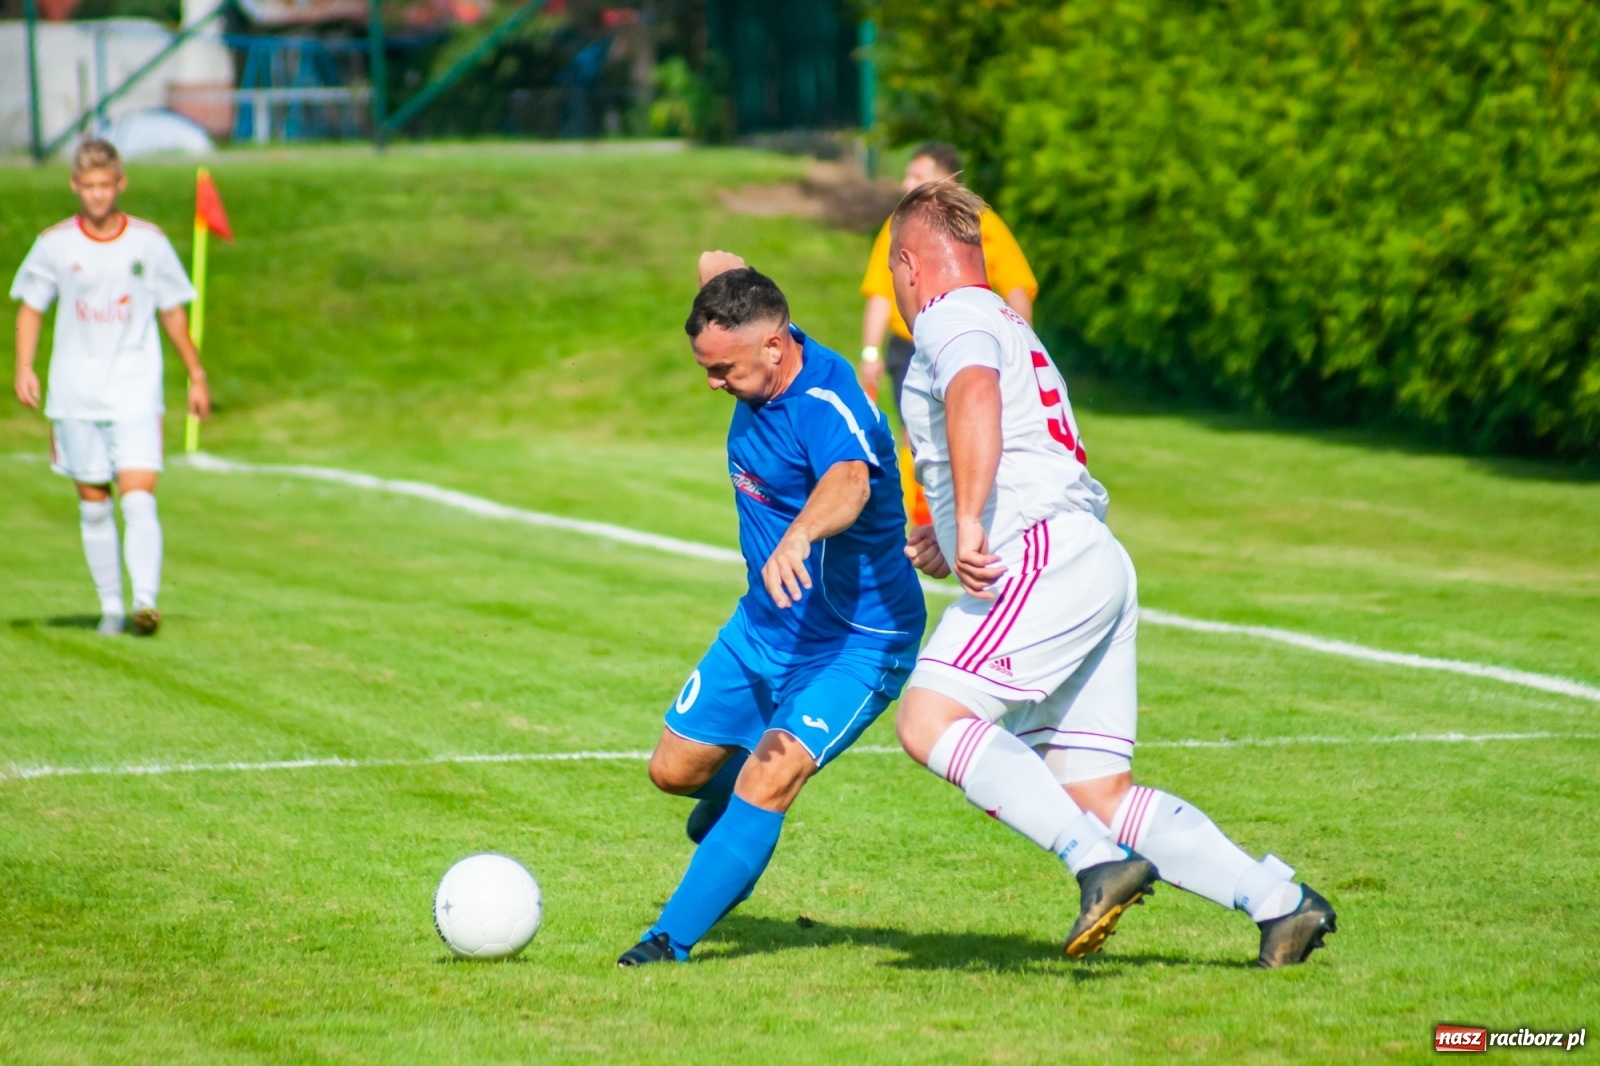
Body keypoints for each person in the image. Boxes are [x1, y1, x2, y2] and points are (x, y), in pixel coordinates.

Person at [887, 179, 1337, 968]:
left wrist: (971, 520)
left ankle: (1095, 862)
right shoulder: (1007, 321)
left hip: (1040, 555)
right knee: (1095, 791)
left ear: (908, 264)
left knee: (927, 718)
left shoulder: (948, 315)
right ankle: (1280, 902)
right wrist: (949, 532)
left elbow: (974, 396)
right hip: (1090, 557)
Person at [617, 252, 927, 967]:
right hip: (766, 625)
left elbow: (849, 483)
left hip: (857, 641)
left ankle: (668, 941)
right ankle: (738, 828)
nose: (712, 383)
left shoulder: (827, 404)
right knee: (674, 771)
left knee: (768, 777)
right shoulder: (764, 346)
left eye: (722, 370)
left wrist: (799, 534)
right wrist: (722, 279)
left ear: (774, 349)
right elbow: (729, 280)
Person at [10, 139, 210, 638]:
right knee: (94, 502)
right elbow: (31, 308)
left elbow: (172, 310)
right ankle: (111, 609)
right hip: (74, 393)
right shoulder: (54, 244)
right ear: (75, 186)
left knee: (138, 497)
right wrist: (24, 367)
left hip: (134, 388)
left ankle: (145, 602)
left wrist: (196, 373)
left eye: (105, 184)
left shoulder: (148, 242)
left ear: (121, 184)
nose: (97, 194)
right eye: (88, 185)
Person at [858, 142, 1037, 425]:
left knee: (971, 421)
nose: (906, 184)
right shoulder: (901, 225)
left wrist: (1021, 348)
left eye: (917, 177)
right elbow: (880, 291)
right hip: (910, 345)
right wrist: (870, 352)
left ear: (947, 180)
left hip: (971, 342)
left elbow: (1017, 288)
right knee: (917, 429)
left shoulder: (983, 225)